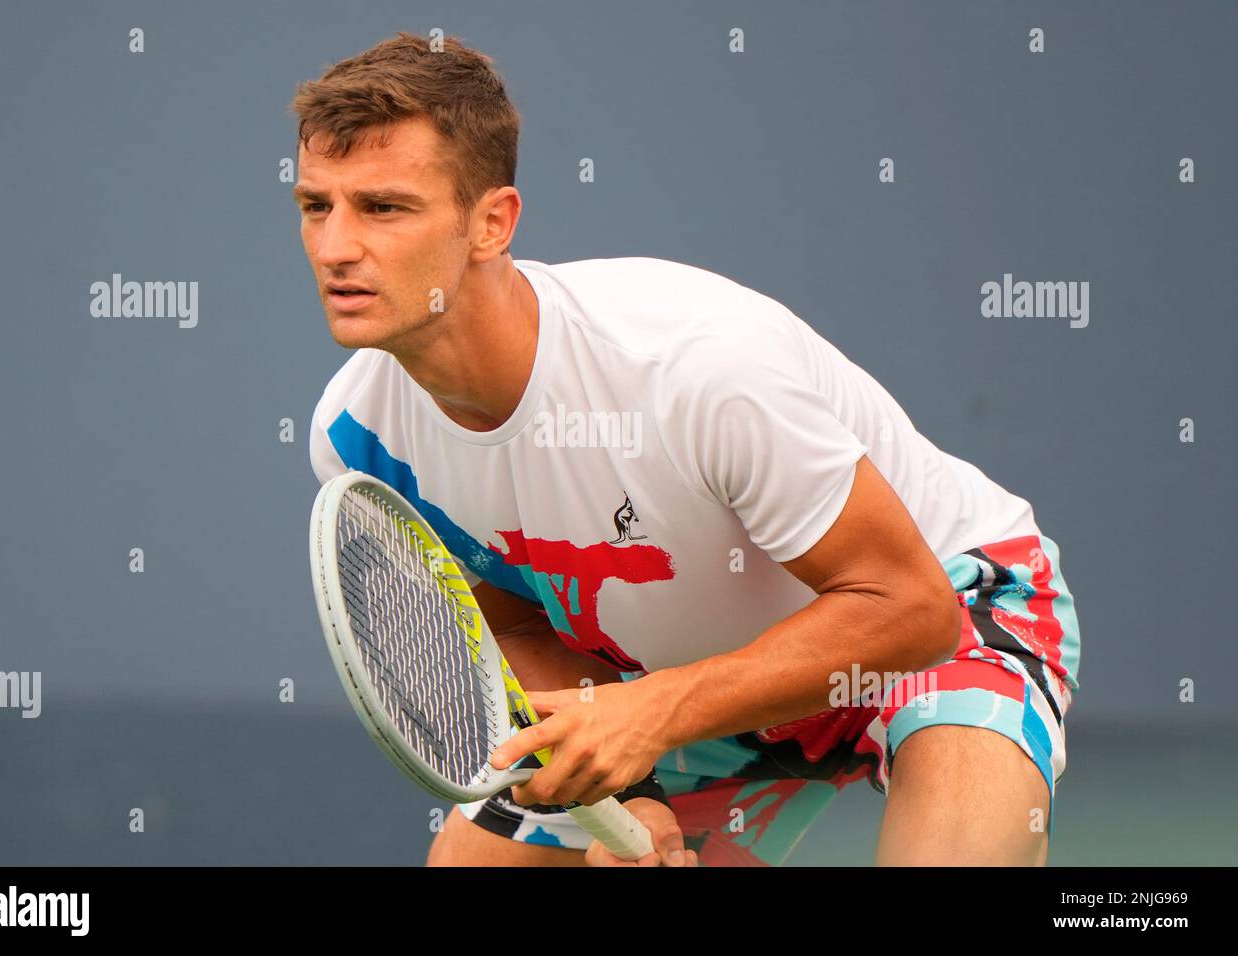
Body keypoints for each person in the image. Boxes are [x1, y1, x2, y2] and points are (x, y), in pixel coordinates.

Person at [295, 32, 1081, 867]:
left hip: (941, 605)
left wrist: (656, 714)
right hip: (702, 685)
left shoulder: (692, 367)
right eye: (316, 205)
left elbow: (909, 610)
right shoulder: (358, 438)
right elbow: (516, 620)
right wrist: (631, 793)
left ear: (492, 222)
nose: (336, 247)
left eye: (383, 207)